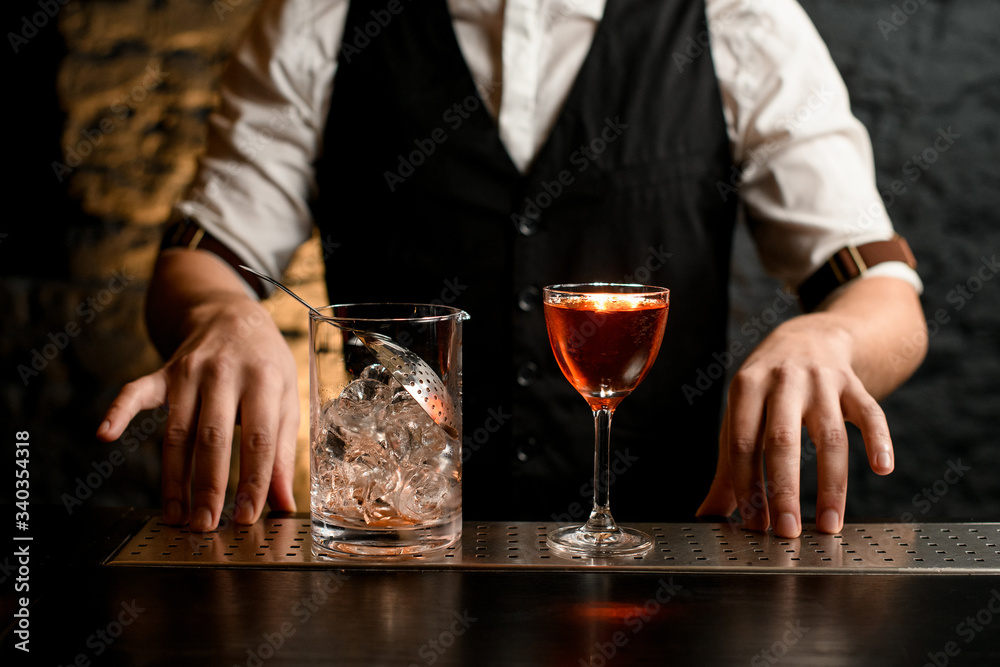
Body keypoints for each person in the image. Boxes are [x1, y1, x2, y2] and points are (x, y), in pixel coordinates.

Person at [97, 0, 927, 537]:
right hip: (400, 566)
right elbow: (203, 262)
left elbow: (882, 293)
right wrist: (221, 314)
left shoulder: (738, 18)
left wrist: (830, 335)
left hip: (668, 574)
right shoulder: (318, 17)